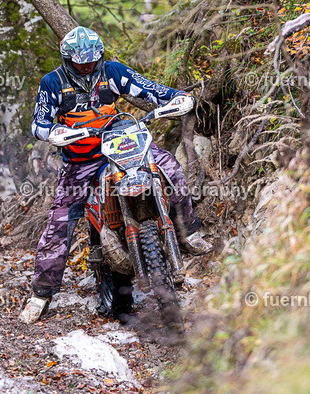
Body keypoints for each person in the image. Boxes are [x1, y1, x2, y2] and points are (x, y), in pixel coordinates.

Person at [20, 26, 210, 323]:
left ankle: (188, 233)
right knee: (60, 220)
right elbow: (39, 124)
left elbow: (150, 89)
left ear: (100, 55)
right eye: (79, 62)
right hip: (81, 158)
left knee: (170, 167)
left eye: (91, 60)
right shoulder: (52, 82)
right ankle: (41, 293)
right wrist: (58, 133)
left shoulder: (113, 71)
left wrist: (175, 98)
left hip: (121, 143)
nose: (86, 66)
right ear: (67, 60)